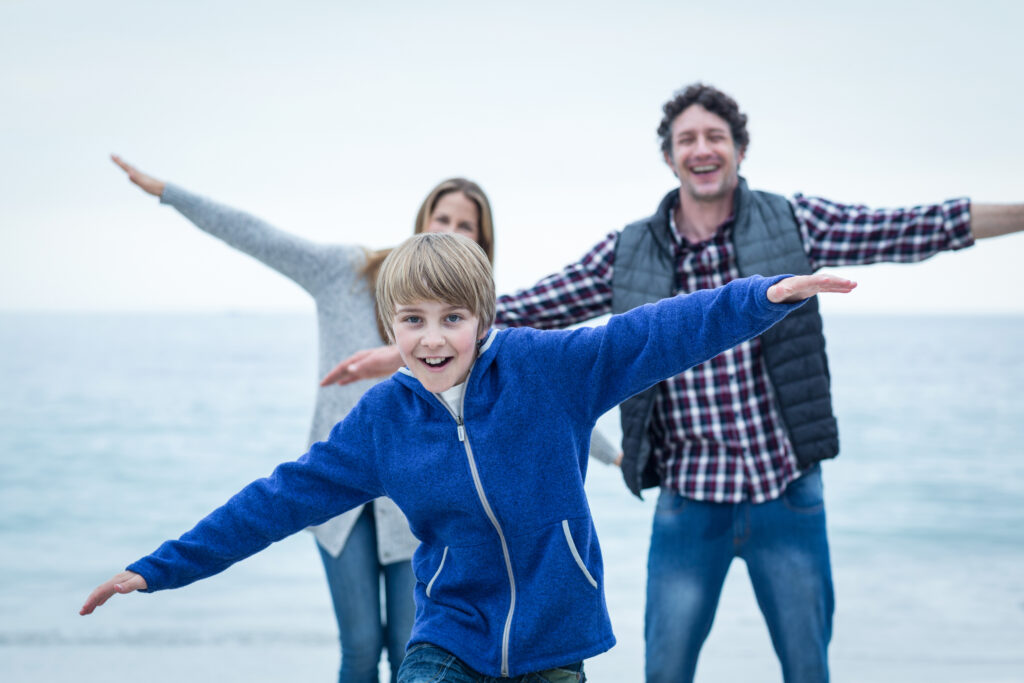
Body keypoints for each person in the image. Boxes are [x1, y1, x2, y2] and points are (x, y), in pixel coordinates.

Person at [319, 83, 1024, 683]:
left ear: (739, 148)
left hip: (788, 493)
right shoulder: (631, 250)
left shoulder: (794, 221)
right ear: (669, 156)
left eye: (716, 135)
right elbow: (520, 308)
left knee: (809, 668)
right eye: (686, 138)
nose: (702, 148)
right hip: (688, 502)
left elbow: (912, 226)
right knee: (666, 670)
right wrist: (406, 352)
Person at [80, 232, 857, 683]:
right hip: (448, 631)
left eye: (452, 317)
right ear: (391, 324)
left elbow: (653, 332)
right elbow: (278, 500)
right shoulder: (383, 419)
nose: (432, 337)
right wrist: (159, 566)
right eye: (412, 319)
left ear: (482, 317)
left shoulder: (547, 371)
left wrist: (763, 299)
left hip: (555, 634)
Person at [109, 156, 494, 683]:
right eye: (441, 217)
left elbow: (523, 392)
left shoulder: (470, 319)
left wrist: (609, 452)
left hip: (416, 504)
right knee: (359, 648)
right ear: (421, 220)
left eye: (465, 225)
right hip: (339, 503)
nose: (449, 231)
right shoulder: (349, 272)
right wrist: (171, 193)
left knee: (414, 650)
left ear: (483, 243)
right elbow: (261, 238)